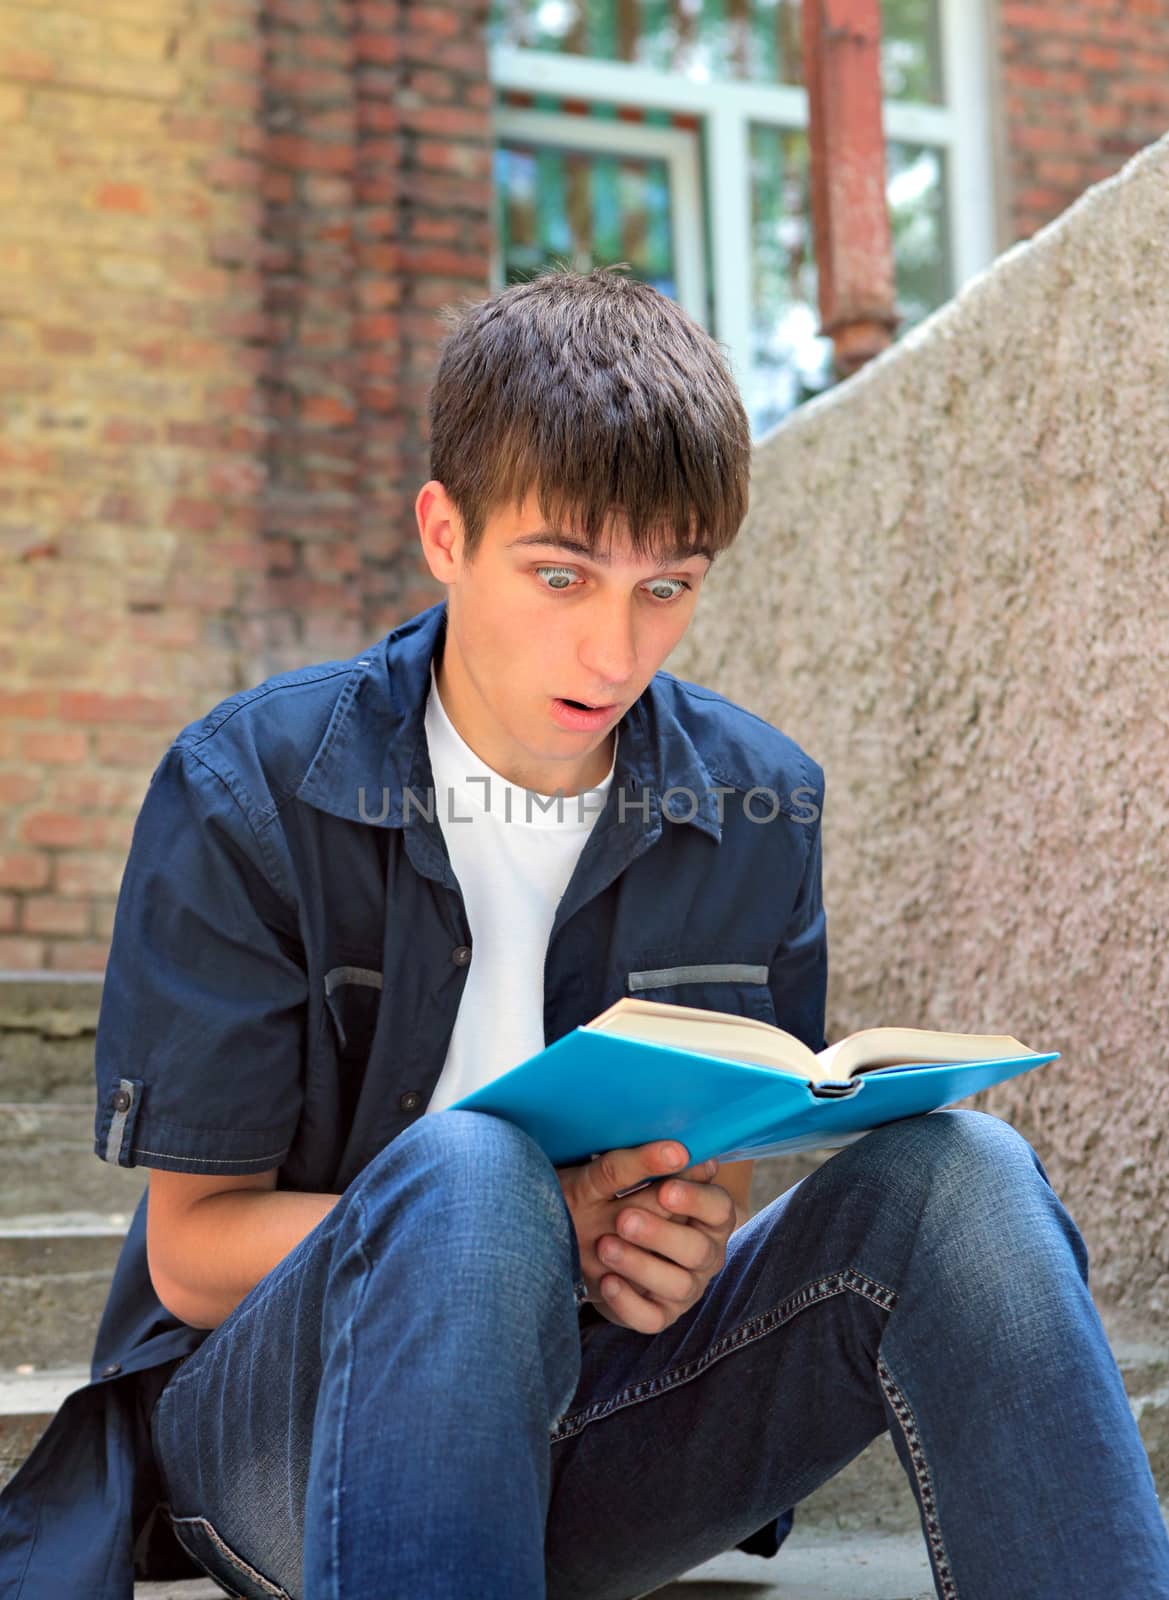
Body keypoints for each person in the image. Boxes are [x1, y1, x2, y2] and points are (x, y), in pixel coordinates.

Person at [2, 267, 1167, 1600]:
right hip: (285, 1440)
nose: (613, 653)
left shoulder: (756, 804)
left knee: (969, 1176)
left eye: (664, 589)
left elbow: (718, 1158)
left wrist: (672, 1248)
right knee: (468, 1180)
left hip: (600, 1430)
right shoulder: (249, 789)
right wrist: (543, 1217)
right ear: (444, 532)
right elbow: (193, 1256)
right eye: (559, 574)